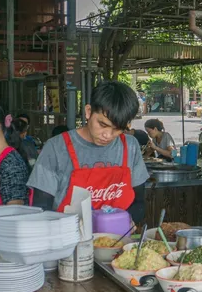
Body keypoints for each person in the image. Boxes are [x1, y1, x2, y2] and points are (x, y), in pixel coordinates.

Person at [27, 81, 149, 224]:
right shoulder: (56, 148)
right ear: (88, 112)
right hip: (68, 241)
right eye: (103, 125)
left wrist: (128, 221)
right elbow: (41, 209)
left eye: (117, 129)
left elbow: (139, 203)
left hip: (118, 241)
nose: (108, 135)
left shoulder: (130, 146)